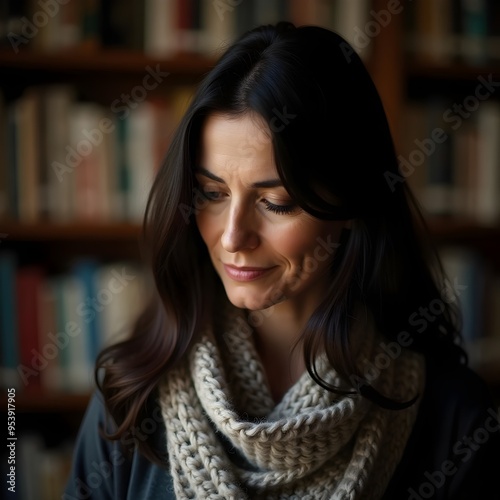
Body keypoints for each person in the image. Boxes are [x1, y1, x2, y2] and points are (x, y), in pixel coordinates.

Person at [63, 22, 500, 499]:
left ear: (352, 203)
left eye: (277, 203)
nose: (233, 236)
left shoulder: (456, 416)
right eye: (211, 193)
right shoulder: (130, 398)